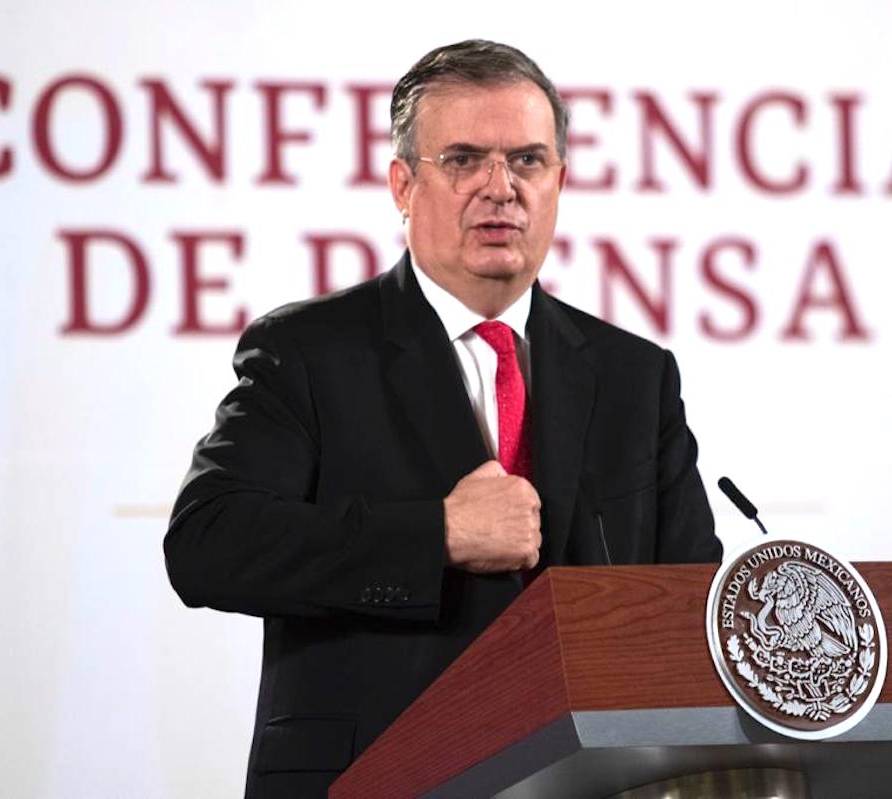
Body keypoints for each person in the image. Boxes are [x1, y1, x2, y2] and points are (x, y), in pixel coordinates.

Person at [164, 39, 722, 798]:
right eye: (463, 160)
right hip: (374, 778)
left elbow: (692, 606)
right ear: (403, 184)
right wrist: (438, 535)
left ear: (559, 181)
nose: (501, 188)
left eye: (527, 161)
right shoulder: (308, 351)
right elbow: (208, 543)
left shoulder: (635, 376)